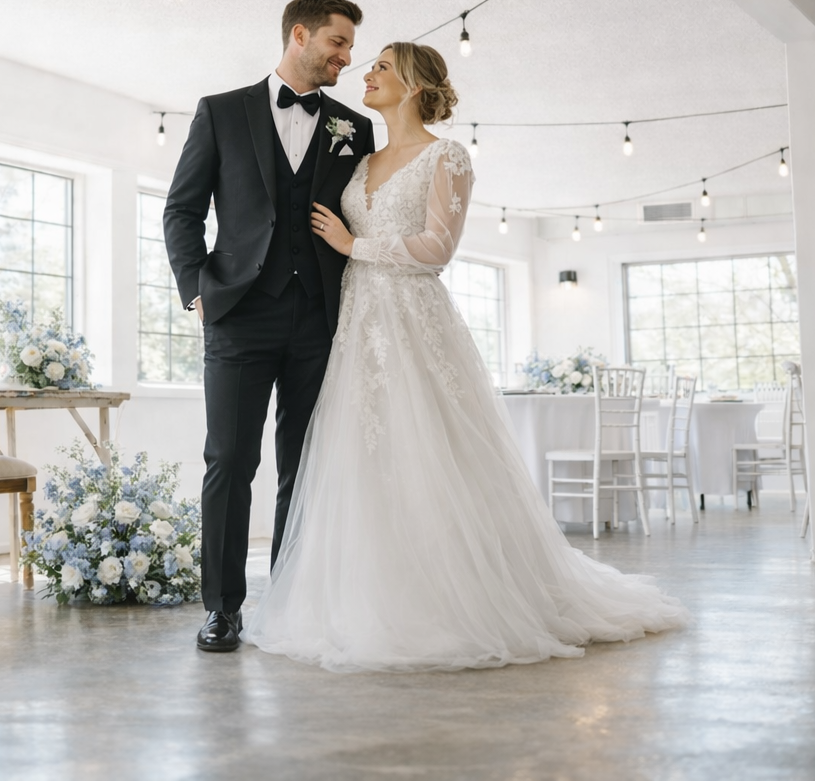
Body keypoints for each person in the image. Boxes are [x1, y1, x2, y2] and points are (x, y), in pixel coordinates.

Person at [243, 41, 686, 672]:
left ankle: (452, 600)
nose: (365, 73)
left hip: (414, 324)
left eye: (381, 68)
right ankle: (360, 600)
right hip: (356, 327)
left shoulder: (447, 156)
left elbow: (436, 248)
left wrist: (354, 244)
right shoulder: (360, 158)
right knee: (363, 459)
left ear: (416, 85)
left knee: (429, 452)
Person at [164, 0, 376, 653]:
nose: (347, 56)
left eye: (350, 47)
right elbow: (181, 211)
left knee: (304, 465)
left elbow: (363, 218)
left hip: (320, 318)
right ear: (300, 35)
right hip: (238, 318)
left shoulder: (353, 128)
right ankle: (223, 607)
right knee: (229, 460)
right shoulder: (222, 112)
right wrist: (196, 289)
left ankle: (291, 600)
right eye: (338, 43)